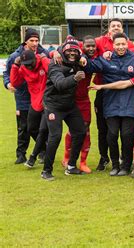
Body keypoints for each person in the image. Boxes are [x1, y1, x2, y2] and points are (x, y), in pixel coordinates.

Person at [84, 32, 134, 176]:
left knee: (127, 134)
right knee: (112, 134)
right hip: (111, 102)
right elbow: (89, 66)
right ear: (113, 45)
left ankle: (126, 165)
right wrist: (82, 57)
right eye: (118, 44)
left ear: (127, 44)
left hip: (131, 102)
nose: (120, 47)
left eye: (123, 44)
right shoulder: (106, 59)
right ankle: (115, 165)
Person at [41, 36, 87, 181]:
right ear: (63, 51)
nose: (72, 53)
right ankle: (46, 171)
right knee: (55, 137)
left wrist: (84, 58)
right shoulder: (55, 63)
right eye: (69, 51)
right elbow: (60, 84)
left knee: (80, 131)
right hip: (53, 105)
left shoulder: (78, 61)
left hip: (69, 104)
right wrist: (75, 78)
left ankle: (71, 166)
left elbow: (88, 53)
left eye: (75, 51)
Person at [3, 28, 48, 165]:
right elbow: (7, 73)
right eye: (31, 40)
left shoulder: (43, 54)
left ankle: (42, 151)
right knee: (24, 127)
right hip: (23, 97)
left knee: (41, 127)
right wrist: (8, 83)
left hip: (41, 96)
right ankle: (21, 154)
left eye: (36, 40)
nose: (34, 43)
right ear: (25, 41)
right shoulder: (15, 56)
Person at [61, 35, 98, 173]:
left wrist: (84, 58)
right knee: (73, 130)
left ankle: (83, 162)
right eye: (87, 46)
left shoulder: (90, 60)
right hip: (69, 100)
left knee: (86, 129)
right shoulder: (69, 57)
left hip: (83, 100)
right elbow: (54, 52)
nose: (91, 48)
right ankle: (66, 157)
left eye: (93, 46)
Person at [10, 50, 49, 169]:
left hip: (48, 103)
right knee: (31, 129)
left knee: (42, 130)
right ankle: (44, 149)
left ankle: (33, 157)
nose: (28, 66)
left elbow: (51, 71)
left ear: (35, 59)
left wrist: (44, 59)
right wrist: (15, 66)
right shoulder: (23, 68)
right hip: (34, 103)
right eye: (25, 64)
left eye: (29, 63)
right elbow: (15, 82)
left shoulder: (42, 62)